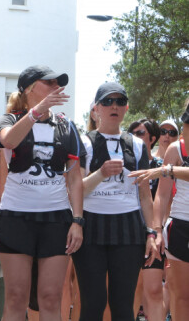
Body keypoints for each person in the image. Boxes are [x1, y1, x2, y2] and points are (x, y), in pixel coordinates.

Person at [0, 65, 84, 321]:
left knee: (50, 297)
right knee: (15, 297)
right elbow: (9, 141)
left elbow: (75, 178)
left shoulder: (67, 126)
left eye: (59, 83)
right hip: (16, 217)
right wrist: (37, 111)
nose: (57, 87)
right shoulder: (9, 119)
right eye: (50, 82)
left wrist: (77, 220)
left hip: (56, 219)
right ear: (30, 88)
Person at [72, 82, 158, 321]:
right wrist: (101, 173)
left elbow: (145, 195)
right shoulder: (85, 142)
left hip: (129, 227)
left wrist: (151, 232)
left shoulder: (138, 145)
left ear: (126, 107)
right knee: (93, 303)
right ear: (96, 108)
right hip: (91, 226)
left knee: (123, 305)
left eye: (120, 101)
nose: (114, 106)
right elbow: (76, 190)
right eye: (108, 101)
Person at [130, 100, 189, 321]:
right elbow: (162, 195)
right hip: (180, 226)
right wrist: (156, 230)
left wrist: (167, 169)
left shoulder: (167, 164)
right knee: (180, 296)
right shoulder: (176, 149)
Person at [127, 119, 164, 321]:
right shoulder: (124, 163)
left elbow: (163, 200)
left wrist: (157, 231)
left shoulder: (161, 166)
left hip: (153, 233)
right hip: (129, 232)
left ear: (152, 138)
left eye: (140, 132)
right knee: (132, 290)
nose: (135, 136)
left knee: (154, 290)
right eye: (131, 132)